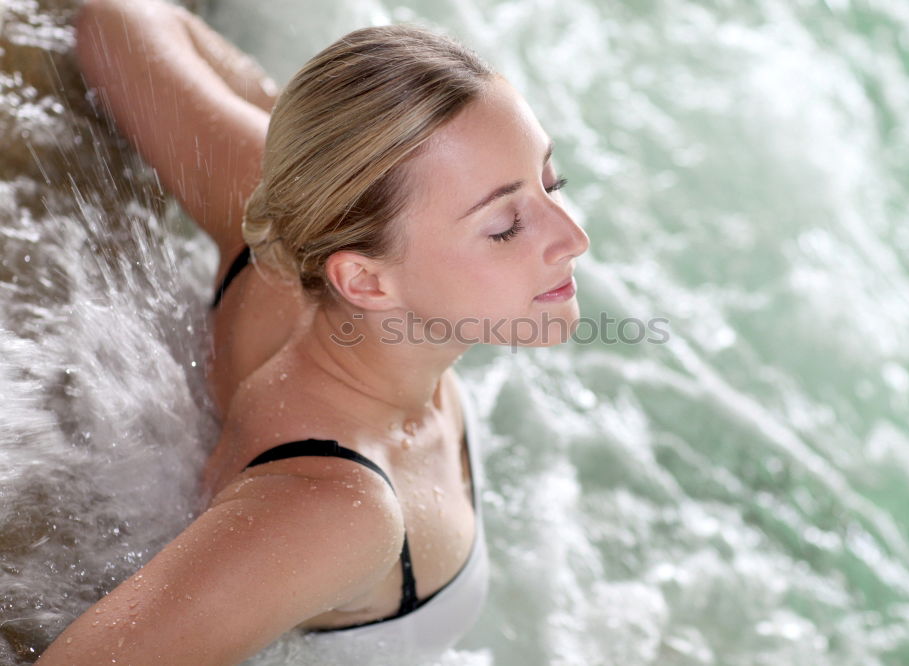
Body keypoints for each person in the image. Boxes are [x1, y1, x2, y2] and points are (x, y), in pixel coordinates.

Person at [38, 0, 589, 663]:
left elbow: (120, 22)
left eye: (551, 182)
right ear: (363, 282)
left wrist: (317, 170)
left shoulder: (280, 227)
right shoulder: (336, 511)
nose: (574, 236)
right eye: (503, 227)